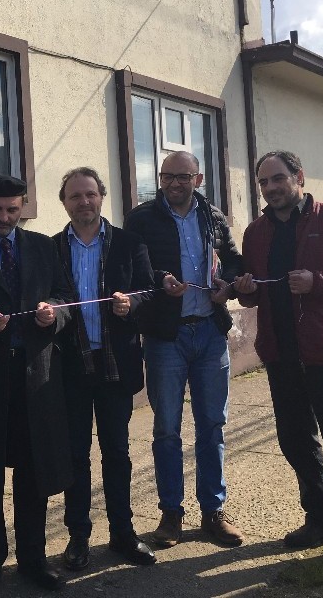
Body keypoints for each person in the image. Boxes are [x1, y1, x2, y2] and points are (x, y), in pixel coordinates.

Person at [233, 150, 323, 576]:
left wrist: (318, 283)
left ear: (299, 176)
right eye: (263, 183)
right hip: (281, 354)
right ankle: (321, 519)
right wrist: (243, 288)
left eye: (277, 179)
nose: (271, 188)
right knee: (296, 441)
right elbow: (253, 293)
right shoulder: (256, 233)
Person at [0, 174, 74, 596]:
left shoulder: (42, 246)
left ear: (23, 207)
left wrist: (53, 313)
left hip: (35, 378)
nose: (4, 217)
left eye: (12, 209)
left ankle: (33, 559)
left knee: (32, 474)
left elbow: (64, 296)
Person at [123, 150, 244, 548]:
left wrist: (228, 283)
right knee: (166, 428)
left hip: (210, 332)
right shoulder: (141, 218)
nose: (175, 183)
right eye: (167, 176)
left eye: (183, 176)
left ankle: (213, 512)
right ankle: (171, 513)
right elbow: (134, 270)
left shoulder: (214, 216)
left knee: (212, 425)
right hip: (165, 337)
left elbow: (232, 261)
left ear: (199, 177)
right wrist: (161, 280)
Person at [52, 166, 156, 571]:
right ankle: (78, 537)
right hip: (72, 368)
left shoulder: (129, 243)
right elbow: (46, 297)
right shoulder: (52, 248)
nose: (84, 202)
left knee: (117, 452)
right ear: (65, 202)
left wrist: (133, 303)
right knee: (76, 455)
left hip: (116, 366)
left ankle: (123, 534)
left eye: (91, 194)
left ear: (101, 197)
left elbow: (148, 291)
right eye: (75, 196)